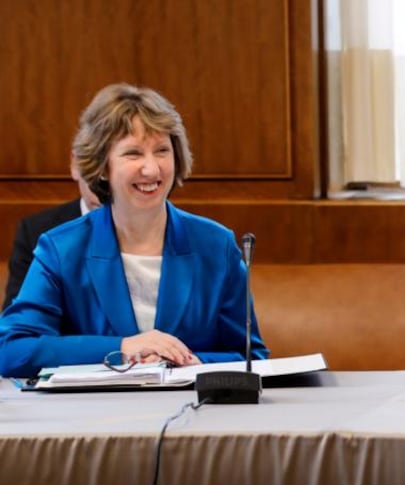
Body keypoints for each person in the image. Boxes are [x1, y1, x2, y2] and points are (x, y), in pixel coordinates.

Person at [0, 83, 269, 378]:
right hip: (94, 417)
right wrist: (124, 347)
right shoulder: (61, 248)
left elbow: (250, 356)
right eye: (133, 153)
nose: (152, 170)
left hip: (191, 414)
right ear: (103, 167)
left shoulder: (216, 244)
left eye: (162, 151)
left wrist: (193, 362)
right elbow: (12, 351)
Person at [3, 161, 102, 310]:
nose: (101, 190)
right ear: (75, 164)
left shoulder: (148, 225)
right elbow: (17, 319)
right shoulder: (36, 231)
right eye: (95, 173)